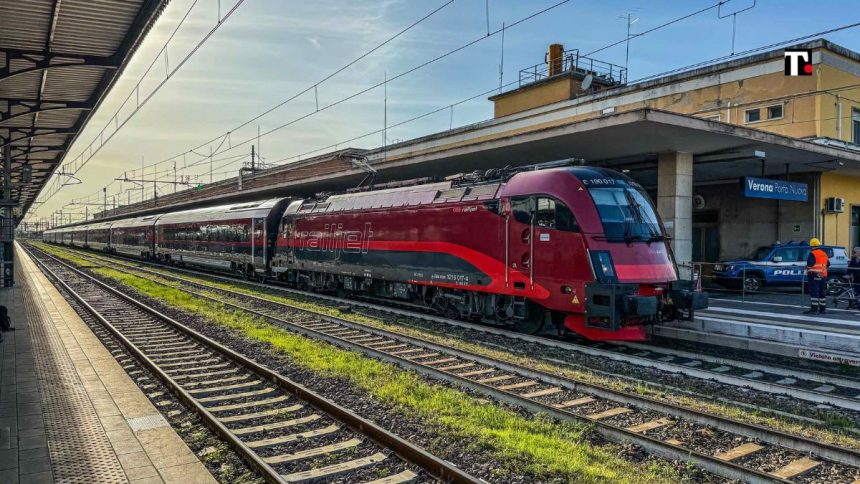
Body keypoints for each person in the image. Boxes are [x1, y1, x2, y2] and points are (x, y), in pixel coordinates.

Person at [805, 238, 830, 314]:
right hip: (823, 275)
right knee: (822, 292)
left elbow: (810, 264)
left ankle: (814, 309)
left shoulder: (812, 253)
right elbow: (828, 264)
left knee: (814, 292)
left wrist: (807, 268)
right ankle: (823, 309)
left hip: (814, 275)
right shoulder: (824, 253)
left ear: (811, 246)